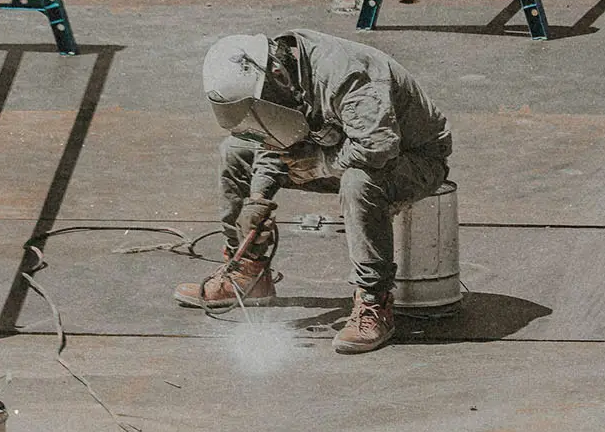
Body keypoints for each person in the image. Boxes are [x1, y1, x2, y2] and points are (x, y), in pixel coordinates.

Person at [174, 29, 452, 354]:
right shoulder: (284, 73)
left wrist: (320, 166)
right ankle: (246, 269)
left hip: (410, 159)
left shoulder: (346, 73)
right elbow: (271, 134)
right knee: (235, 153)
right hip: (340, 152)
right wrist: (257, 200)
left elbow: (379, 146)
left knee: (358, 181)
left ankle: (375, 302)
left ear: (277, 75)